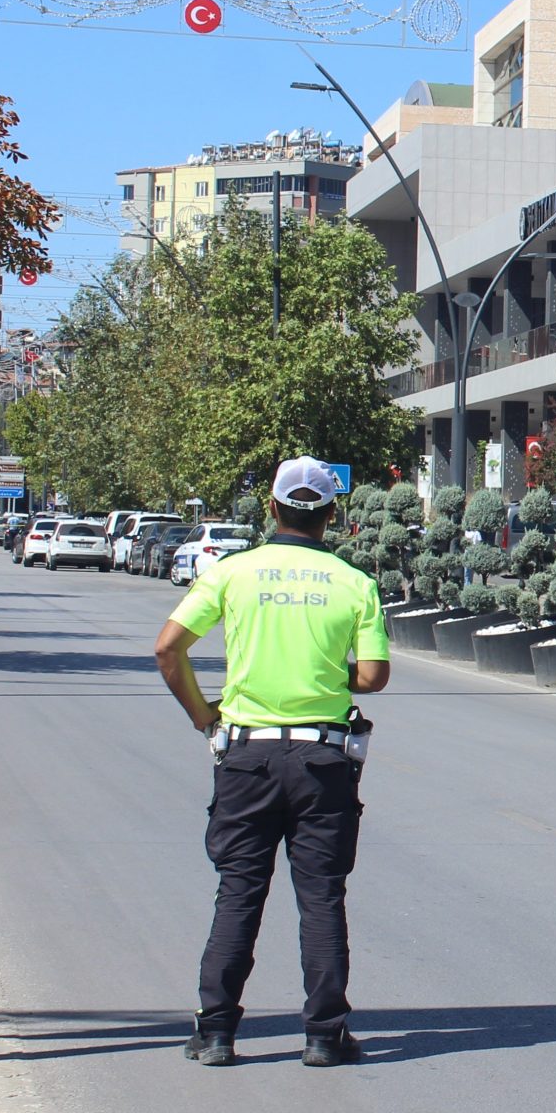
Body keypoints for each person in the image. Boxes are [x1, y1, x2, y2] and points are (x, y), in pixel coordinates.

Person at [154, 457, 389, 1067]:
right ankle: (323, 1035)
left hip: (247, 756)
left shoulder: (234, 574)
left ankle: (216, 1033)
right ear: (332, 514)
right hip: (322, 760)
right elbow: (371, 675)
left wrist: (203, 714)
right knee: (321, 898)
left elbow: (168, 648)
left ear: (273, 509)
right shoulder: (353, 582)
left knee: (238, 893)